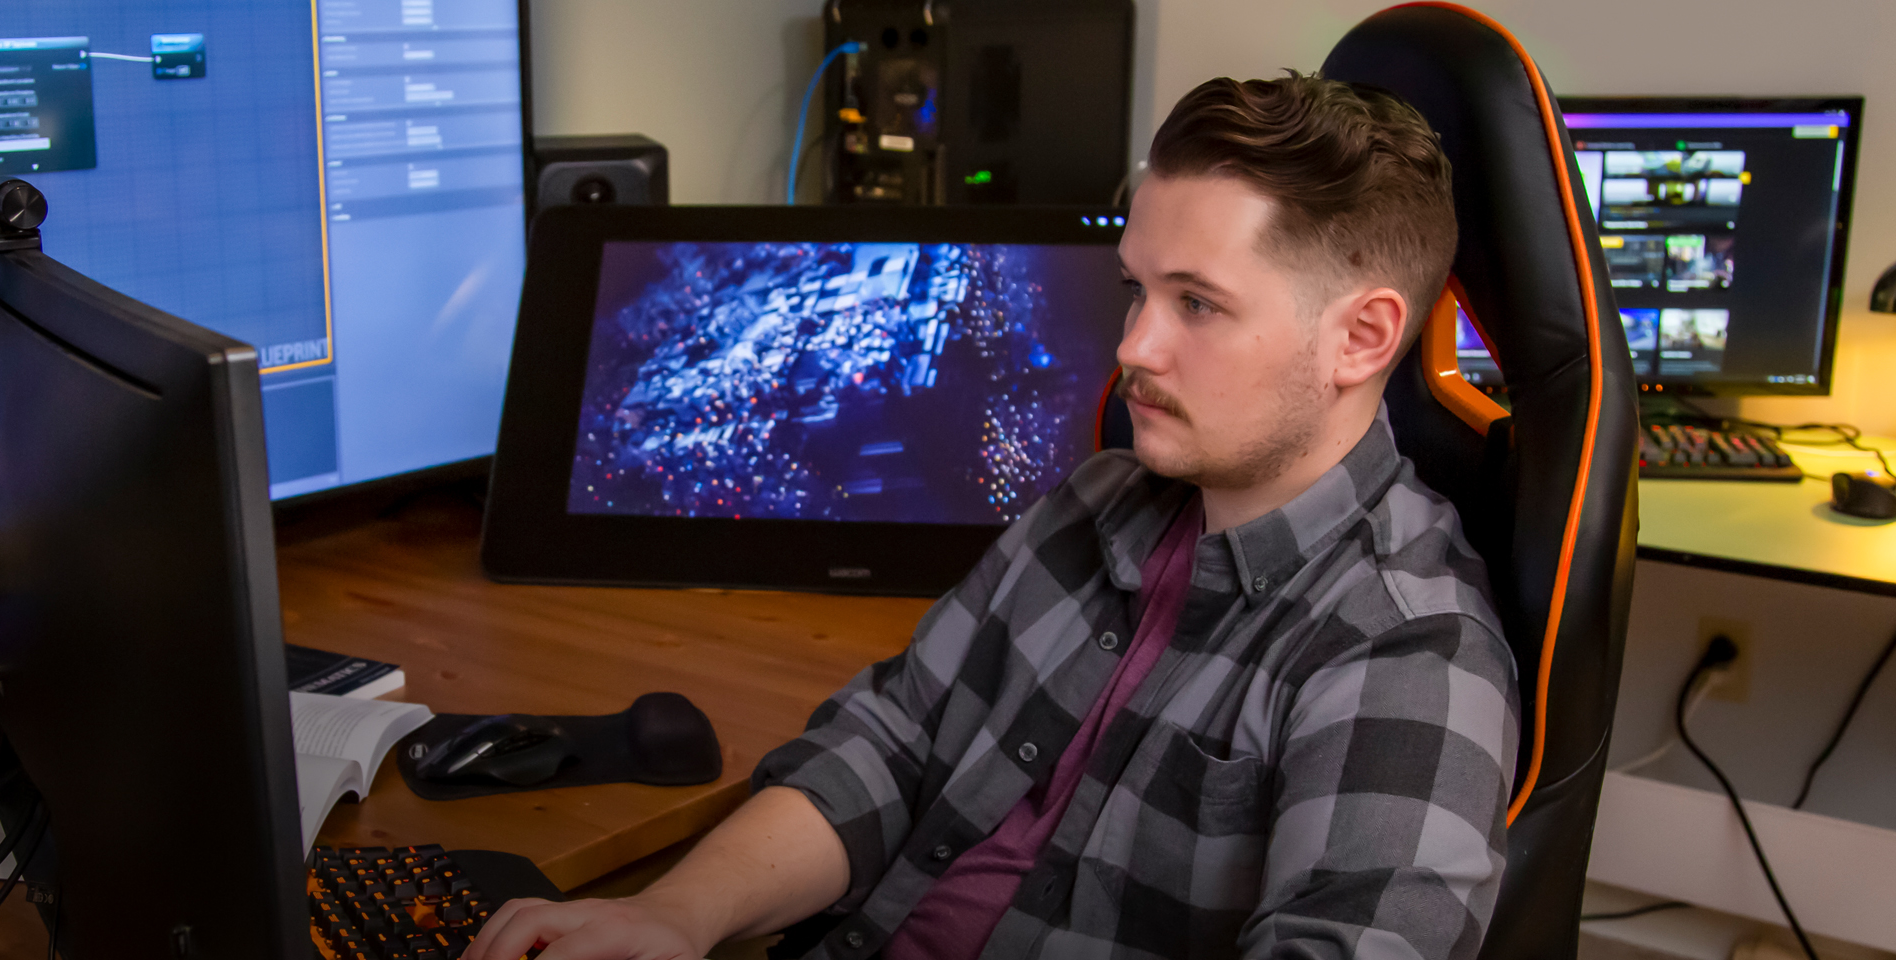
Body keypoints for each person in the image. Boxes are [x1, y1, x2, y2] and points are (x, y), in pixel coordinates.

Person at [461, 72, 1517, 960]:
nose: (1135, 347)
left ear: (1363, 338)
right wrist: (672, 919)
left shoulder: (1409, 651)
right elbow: (893, 739)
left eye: (1196, 303)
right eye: (1137, 290)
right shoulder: (1096, 501)